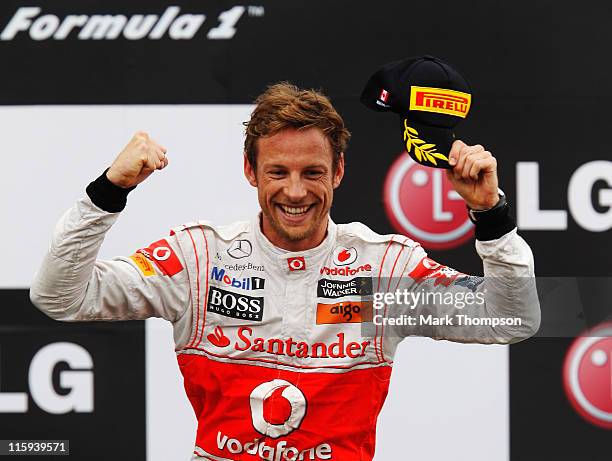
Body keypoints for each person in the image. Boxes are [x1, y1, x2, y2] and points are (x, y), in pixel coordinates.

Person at [30, 82, 540, 461]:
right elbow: (60, 297)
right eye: (278, 172)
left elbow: (511, 319)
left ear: (338, 172)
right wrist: (108, 191)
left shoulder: (381, 269)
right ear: (251, 171)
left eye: (312, 172)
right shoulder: (199, 258)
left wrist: (490, 214)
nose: (295, 192)